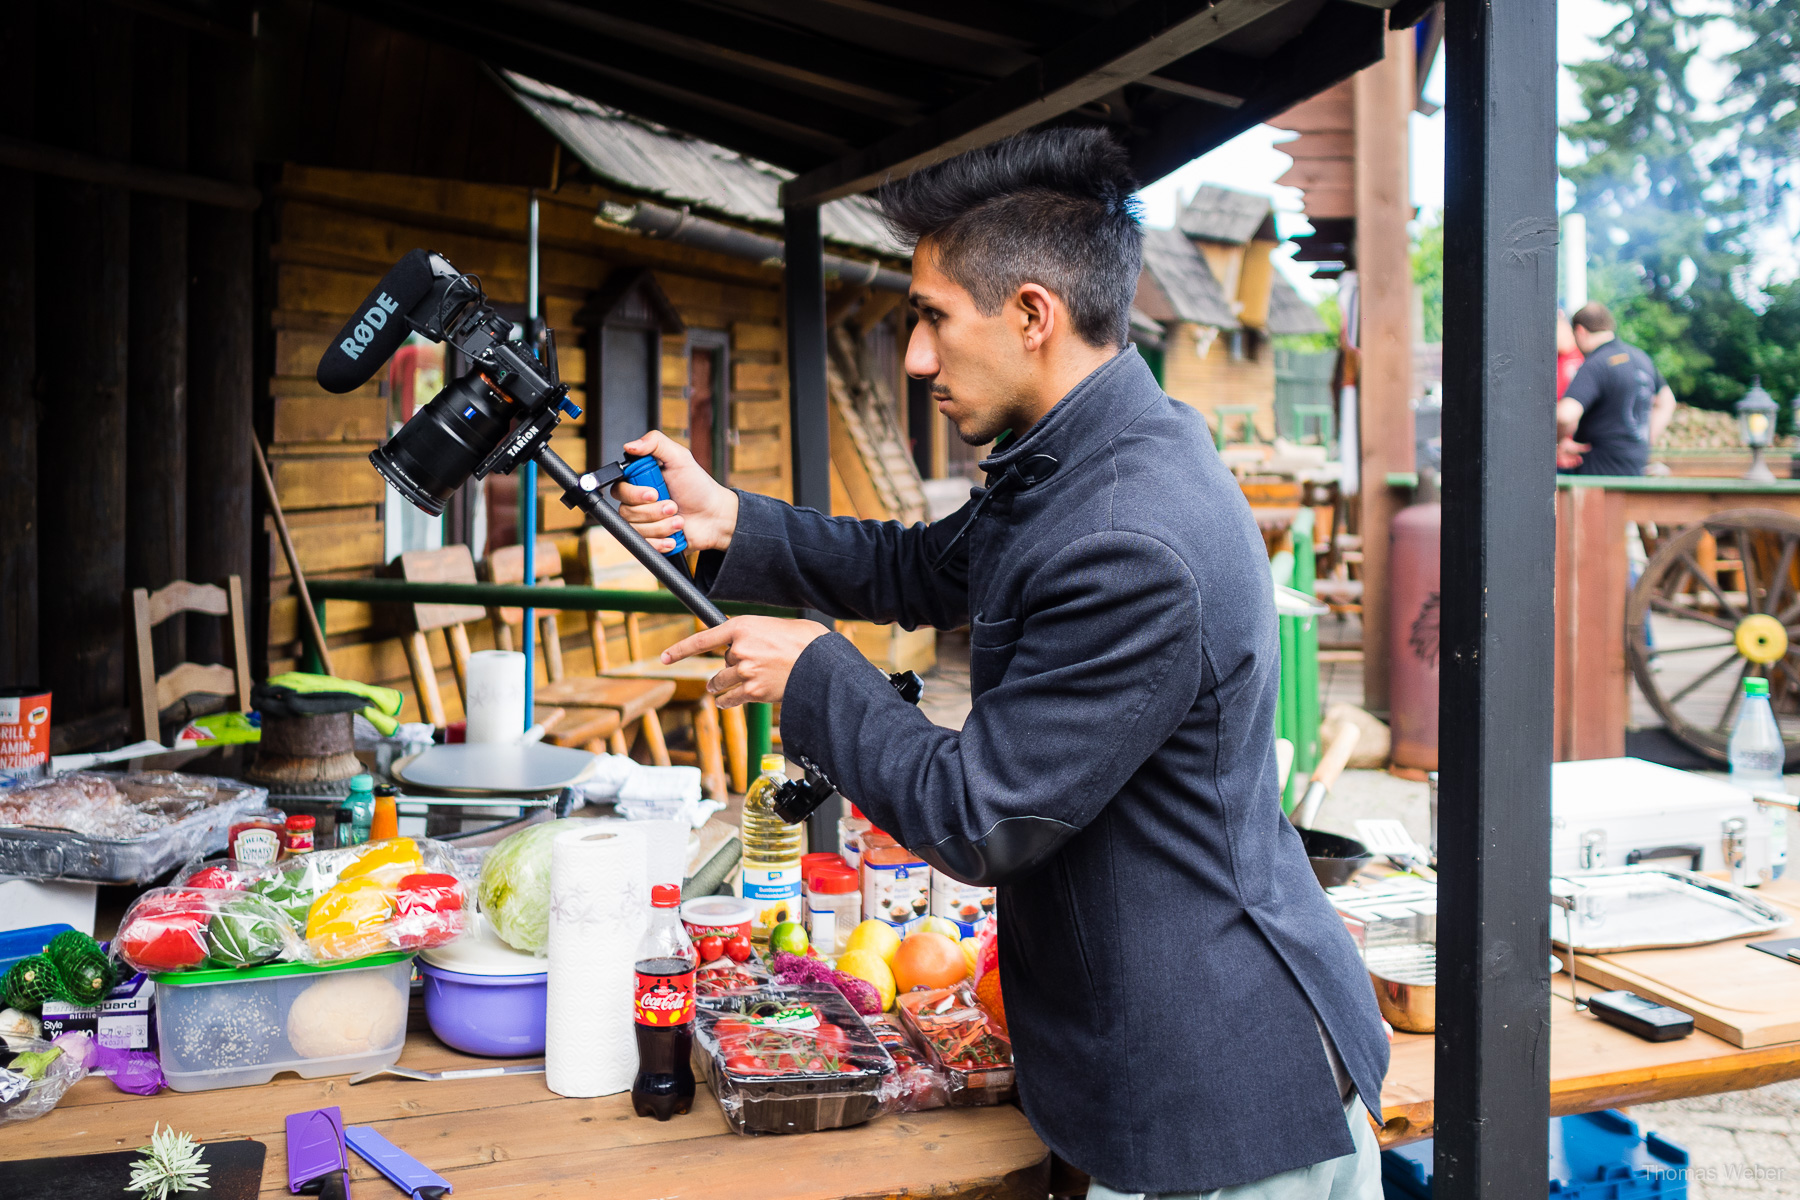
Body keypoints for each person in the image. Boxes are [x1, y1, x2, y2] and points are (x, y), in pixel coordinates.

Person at [616, 129, 1389, 1199]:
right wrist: (730, 520)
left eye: (933, 318)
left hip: (1217, 1095)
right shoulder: (1089, 453)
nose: (917, 358)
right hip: (1143, 1049)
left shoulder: (1131, 535)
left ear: (1033, 315)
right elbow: (922, 566)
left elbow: (984, 816)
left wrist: (815, 675)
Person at [1558, 302, 1676, 475]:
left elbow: (1565, 415)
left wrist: (1560, 441)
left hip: (1597, 473)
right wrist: (1644, 440)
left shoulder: (1595, 364)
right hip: (1634, 469)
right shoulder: (1641, 358)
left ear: (1580, 331)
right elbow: (1668, 402)